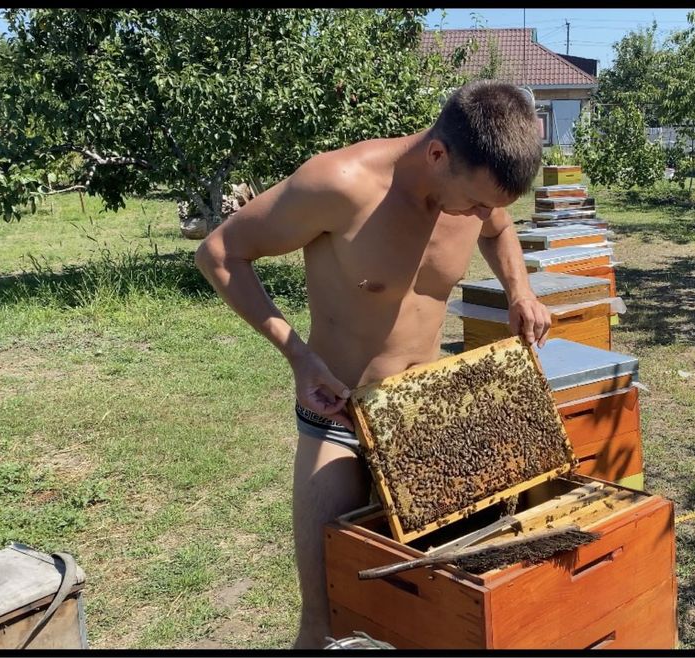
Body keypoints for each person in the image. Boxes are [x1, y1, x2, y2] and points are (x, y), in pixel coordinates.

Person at [194, 79, 551, 649]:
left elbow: (500, 229)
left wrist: (520, 291)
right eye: (479, 201)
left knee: (431, 612)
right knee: (328, 619)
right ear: (438, 153)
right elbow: (218, 253)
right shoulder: (341, 184)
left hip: (424, 420)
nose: (483, 214)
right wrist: (298, 354)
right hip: (338, 419)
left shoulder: (478, 198)